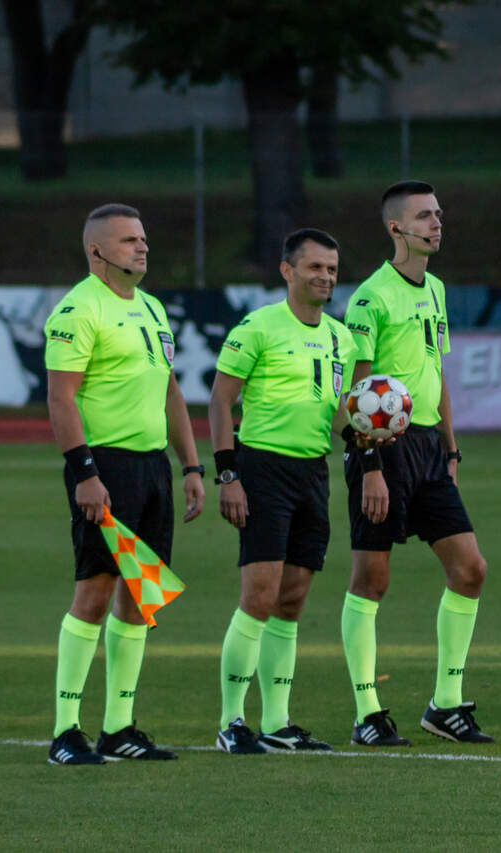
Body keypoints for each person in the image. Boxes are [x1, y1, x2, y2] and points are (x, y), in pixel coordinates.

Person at [43, 203, 206, 765]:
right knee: (93, 592)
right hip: (105, 468)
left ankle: (118, 728)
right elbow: (60, 398)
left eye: (143, 238)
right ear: (97, 251)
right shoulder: (78, 309)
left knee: (140, 598)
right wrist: (84, 473)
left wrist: (190, 466)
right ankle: (66, 731)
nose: (142, 247)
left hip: (152, 467)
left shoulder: (152, 307)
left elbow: (169, 390)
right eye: (129, 240)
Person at [340, 181, 494, 747]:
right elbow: (358, 393)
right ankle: (368, 713)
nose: (437, 223)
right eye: (425, 216)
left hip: (428, 450)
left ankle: (446, 704)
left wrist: (450, 449)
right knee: (372, 581)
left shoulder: (435, 289)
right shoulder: (370, 299)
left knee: (470, 569)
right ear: (396, 228)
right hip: (381, 452)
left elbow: (437, 372)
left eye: (439, 214)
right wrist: (370, 466)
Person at [209, 228, 356, 754]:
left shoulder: (342, 338)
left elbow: (335, 412)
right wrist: (228, 475)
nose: (326, 277)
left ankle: (276, 723)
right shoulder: (258, 327)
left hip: (313, 473)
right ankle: (231, 721)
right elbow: (220, 401)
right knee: (259, 597)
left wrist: (366, 435)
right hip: (262, 469)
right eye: (315, 267)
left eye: (332, 269)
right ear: (287, 271)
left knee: (291, 601)